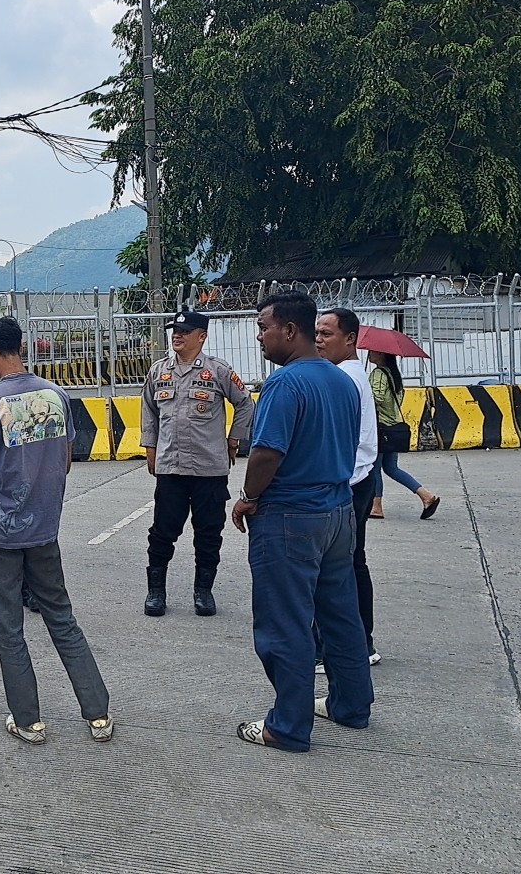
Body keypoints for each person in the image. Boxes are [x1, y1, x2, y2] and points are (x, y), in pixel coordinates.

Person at [229, 292, 373, 752]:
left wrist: (248, 498)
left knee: (285, 623)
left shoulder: (284, 384)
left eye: (263, 327)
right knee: (340, 616)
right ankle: (351, 705)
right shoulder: (342, 380)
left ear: (290, 330)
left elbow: (267, 453)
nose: (259, 336)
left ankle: (288, 726)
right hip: (338, 511)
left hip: (291, 515)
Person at [0, 316, 113, 746]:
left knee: (9, 626)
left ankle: (28, 721)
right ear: (21, 347)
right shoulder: (56, 395)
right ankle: (98, 713)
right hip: (44, 528)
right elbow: (64, 461)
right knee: (62, 617)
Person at [140, 309, 253, 618]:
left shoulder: (218, 371)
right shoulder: (159, 371)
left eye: (185, 332)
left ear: (201, 337)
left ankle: (203, 591)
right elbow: (148, 410)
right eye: (175, 331)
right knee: (162, 532)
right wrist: (150, 447)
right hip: (171, 468)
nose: (177, 336)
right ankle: (156, 591)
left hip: (209, 469)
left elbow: (245, 403)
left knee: (208, 533)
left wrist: (234, 439)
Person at [314, 308, 381, 667]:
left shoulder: (346, 378)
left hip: (348, 481)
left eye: (327, 334)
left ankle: (349, 645)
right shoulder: (348, 374)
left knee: (340, 567)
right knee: (350, 564)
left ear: (351, 338)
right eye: (317, 334)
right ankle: (357, 642)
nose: (319, 340)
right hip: (355, 478)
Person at [367, 349, 440, 520]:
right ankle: (426, 496)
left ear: (381, 354)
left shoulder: (378, 373)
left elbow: (376, 398)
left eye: (372, 351)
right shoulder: (394, 374)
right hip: (393, 427)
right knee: (391, 468)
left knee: (375, 468)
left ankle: (376, 507)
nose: (369, 353)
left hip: (381, 427)